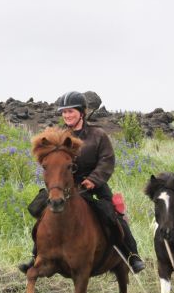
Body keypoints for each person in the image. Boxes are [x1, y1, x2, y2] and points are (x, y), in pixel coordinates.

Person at [19, 91, 146, 274]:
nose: (67, 115)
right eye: (64, 112)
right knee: (41, 212)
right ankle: (36, 256)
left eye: (71, 111)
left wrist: (93, 180)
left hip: (94, 184)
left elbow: (106, 160)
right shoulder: (59, 136)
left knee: (112, 215)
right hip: (65, 185)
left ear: (82, 113)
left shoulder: (98, 135)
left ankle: (131, 255)